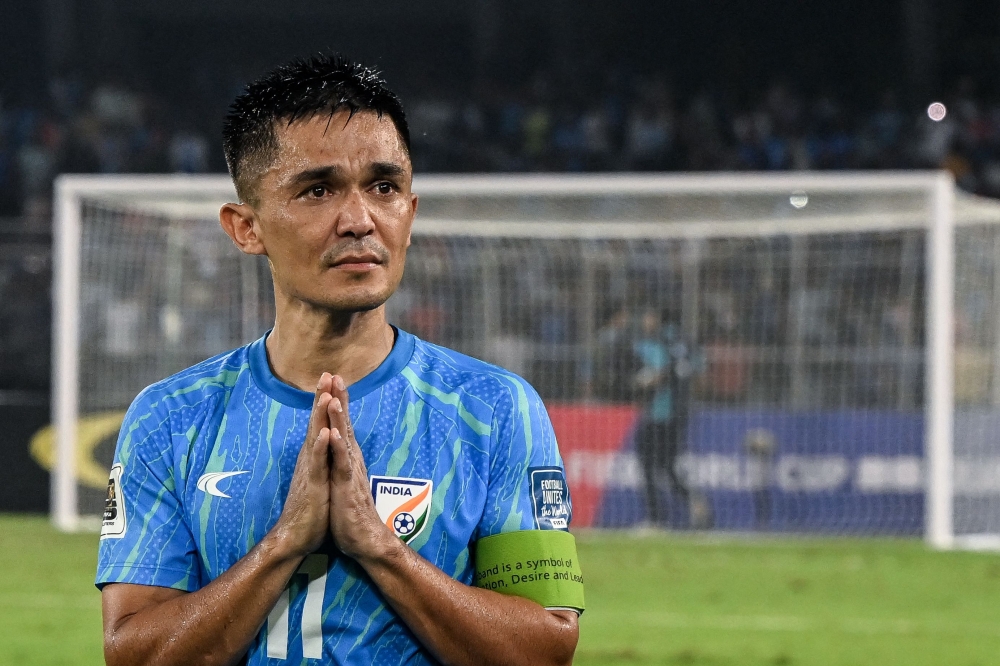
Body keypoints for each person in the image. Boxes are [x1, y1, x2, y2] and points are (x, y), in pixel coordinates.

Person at [96, 54, 582, 666]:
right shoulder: (171, 417)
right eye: (318, 190)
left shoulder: (496, 409)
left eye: (384, 187)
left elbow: (546, 650)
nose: (359, 220)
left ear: (410, 212)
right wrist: (285, 543)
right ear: (246, 228)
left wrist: (378, 546)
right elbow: (133, 655)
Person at [632, 309, 710, 528]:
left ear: (657, 318)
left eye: (648, 316)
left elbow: (660, 373)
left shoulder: (656, 342)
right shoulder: (684, 341)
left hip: (657, 414)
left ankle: (655, 519)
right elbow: (700, 372)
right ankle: (696, 504)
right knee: (667, 468)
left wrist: (640, 383)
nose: (645, 321)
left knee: (648, 466)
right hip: (678, 413)